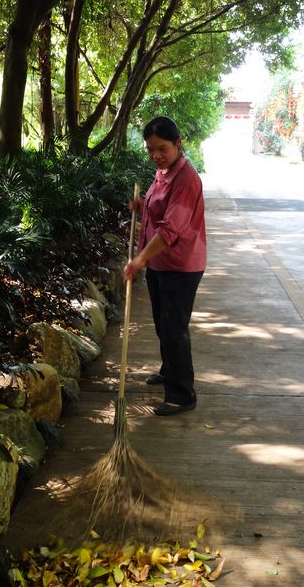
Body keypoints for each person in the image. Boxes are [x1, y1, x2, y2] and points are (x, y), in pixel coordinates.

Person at [124, 116, 206, 416]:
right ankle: (169, 370)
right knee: (162, 323)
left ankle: (182, 394)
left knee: (174, 329)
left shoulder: (186, 179)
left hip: (180, 266)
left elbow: (170, 229)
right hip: (159, 263)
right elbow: (157, 205)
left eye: (162, 148)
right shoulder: (164, 172)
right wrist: (142, 205)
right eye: (150, 150)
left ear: (178, 143)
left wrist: (139, 259)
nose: (155, 155)